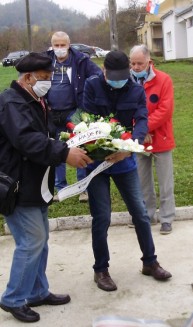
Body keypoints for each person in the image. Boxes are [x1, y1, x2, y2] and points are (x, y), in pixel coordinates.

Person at [0, 53, 93, 323]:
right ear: (28, 78)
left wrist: (76, 137)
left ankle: (37, 291)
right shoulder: (11, 103)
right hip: (18, 185)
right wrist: (64, 154)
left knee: (41, 241)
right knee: (31, 242)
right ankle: (13, 298)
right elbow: (28, 140)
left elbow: (47, 134)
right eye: (45, 78)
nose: (49, 82)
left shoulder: (35, 99)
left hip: (36, 184)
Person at [82, 50, 172, 292]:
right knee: (101, 217)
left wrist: (130, 146)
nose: (119, 80)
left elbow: (141, 119)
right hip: (97, 163)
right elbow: (87, 121)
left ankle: (150, 262)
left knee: (140, 213)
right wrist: (102, 149)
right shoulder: (92, 87)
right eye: (114, 76)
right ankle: (101, 269)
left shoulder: (134, 88)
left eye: (124, 76)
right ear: (104, 71)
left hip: (124, 161)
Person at [46, 31, 101, 202]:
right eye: (57, 45)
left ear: (69, 45)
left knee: (80, 146)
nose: (60, 48)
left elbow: (98, 75)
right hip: (51, 112)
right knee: (57, 149)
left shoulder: (80, 60)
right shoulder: (46, 60)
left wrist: (86, 94)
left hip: (74, 111)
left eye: (63, 45)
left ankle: (82, 188)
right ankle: (60, 188)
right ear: (52, 45)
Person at [129, 44, 176, 234]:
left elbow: (165, 110)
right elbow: (125, 109)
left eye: (140, 63)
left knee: (165, 181)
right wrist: (139, 131)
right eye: (132, 63)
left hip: (161, 137)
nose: (136, 67)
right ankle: (147, 215)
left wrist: (143, 127)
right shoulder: (127, 82)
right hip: (139, 140)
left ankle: (167, 218)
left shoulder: (164, 80)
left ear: (149, 61)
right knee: (142, 180)